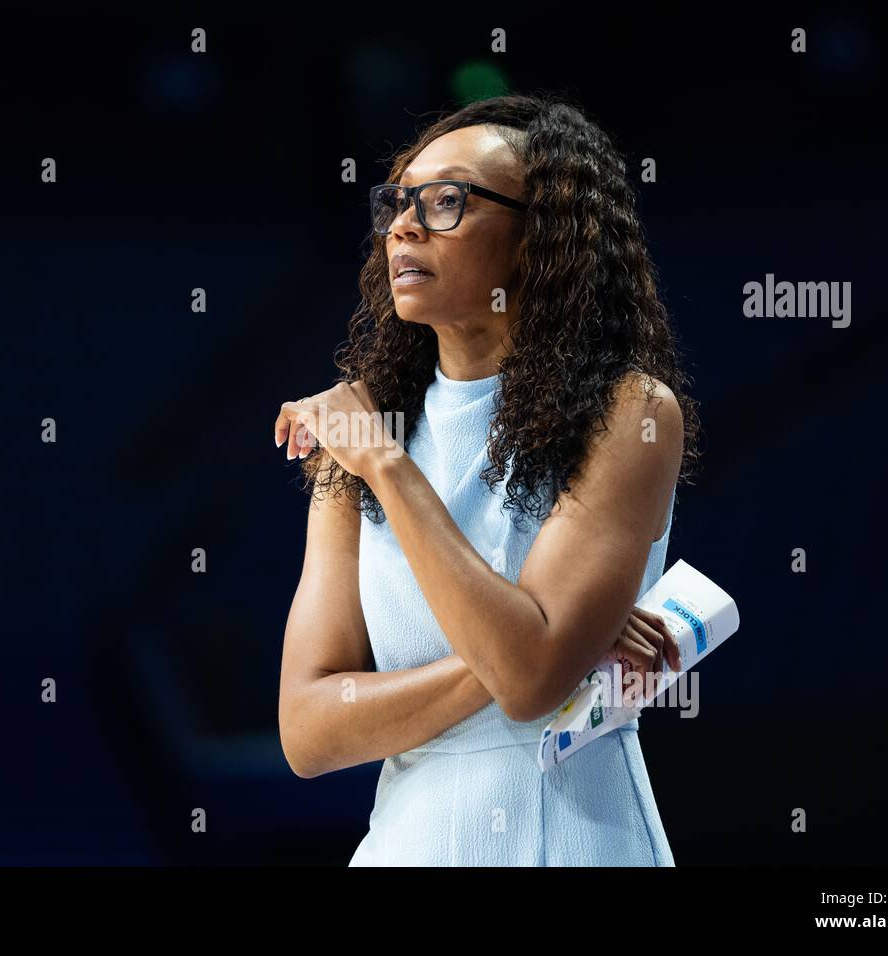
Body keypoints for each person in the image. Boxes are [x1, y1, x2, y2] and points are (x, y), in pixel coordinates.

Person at [274, 93, 703, 866]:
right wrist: (552, 646)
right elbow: (308, 730)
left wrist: (387, 465)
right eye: (397, 203)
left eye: (446, 202)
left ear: (541, 239)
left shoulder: (629, 412)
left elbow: (532, 682)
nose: (404, 225)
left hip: (576, 837)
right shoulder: (357, 435)